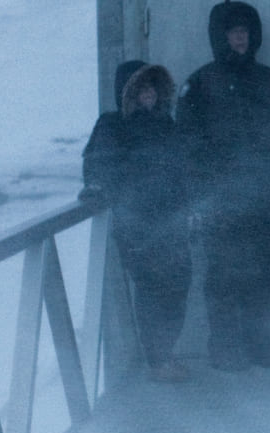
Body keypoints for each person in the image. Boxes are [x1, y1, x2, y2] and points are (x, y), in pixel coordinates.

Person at [179, 0, 270, 371]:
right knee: (221, 277)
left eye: (245, 32)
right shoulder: (200, 85)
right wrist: (197, 198)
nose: (240, 39)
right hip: (221, 203)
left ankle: (259, 346)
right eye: (233, 32)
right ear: (220, 37)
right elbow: (186, 147)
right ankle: (223, 348)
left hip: (264, 199)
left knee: (262, 276)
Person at [81, 61, 193, 383]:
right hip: (137, 227)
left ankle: (164, 354)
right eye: (141, 89)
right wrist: (96, 187)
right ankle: (157, 360)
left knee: (178, 286)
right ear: (127, 93)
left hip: (173, 224)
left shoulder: (166, 126)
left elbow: (183, 172)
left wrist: (192, 206)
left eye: (152, 88)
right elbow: (97, 162)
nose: (148, 95)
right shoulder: (112, 125)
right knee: (153, 290)